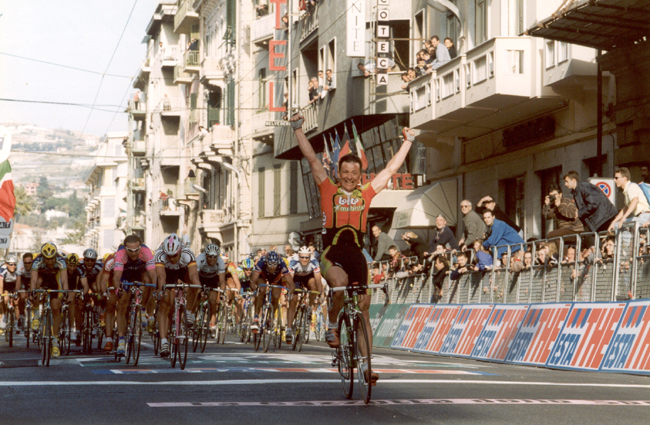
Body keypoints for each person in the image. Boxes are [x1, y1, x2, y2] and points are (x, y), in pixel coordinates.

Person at [290, 112, 415, 387]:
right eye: (344, 172)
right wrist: (298, 129)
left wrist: (408, 141)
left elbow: (390, 171)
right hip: (331, 255)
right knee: (339, 283)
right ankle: (332, 324)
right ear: (338, 174)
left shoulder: (366, 193)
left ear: (360, 176)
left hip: (356, 254)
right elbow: (312, 158)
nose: (349, 177)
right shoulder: (327, 188)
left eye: (354, 173)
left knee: (364, 308)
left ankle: (368, 365)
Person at [110, 235, 157, 356]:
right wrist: (118, 289)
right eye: (130, 250)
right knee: (122, 303)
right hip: (126, 274)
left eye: (137, 250)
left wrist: (155, 288)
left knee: (148, 281)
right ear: (125, 248)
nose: (134, 253)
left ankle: (143, 309)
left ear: (140, 247)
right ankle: (121, 340)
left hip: (141, 273)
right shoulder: (120, 254)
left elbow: (153, 274)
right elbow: (116, 276)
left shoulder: (146, 252)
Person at [155, 233, 201, 358]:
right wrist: (162, 291)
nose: (171, 258)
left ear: (180, 250)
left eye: (174, 255)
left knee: (194, 286)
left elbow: (193, 275)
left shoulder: (188, 253)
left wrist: (198, 288)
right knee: (165, 304)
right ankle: (164, 342)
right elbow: (161, 276)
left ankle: (189, 313)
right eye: (169, 255)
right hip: (167, 273)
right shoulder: (160, 254)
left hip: (182, 271)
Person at [30, 242, 70, 358]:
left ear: (55, 256)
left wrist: (66, 292)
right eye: (47, 259)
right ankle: (36, 315)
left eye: (52, 259)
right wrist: (32, 292)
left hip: (55, 280)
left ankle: (55, 340)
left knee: (56, 307)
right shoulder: (37, 261)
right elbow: (33, 279)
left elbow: (64, 280)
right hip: (42, 279)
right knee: (36, 286)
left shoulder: (61, 260)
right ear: (42, 257)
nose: (49, 261)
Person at [249, 251, 295, 341]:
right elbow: (252, 281)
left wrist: (290, 293)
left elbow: (291, 284)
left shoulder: (281, 263)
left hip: (276, 278)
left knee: (276, 295)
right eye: (270, 264)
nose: (272, 267)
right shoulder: (261, 261)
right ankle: (256, 317)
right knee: (261, 290)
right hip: (262, 276)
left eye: (275, 264)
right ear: (266, 262)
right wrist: (255, 291)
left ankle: (271, 316)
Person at [542, 184, 584, 255]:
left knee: (552, 235)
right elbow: (547, 216)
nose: (553, 197)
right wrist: (546, 206)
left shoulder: (567, 202)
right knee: (552, 237)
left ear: (560, 194)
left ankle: (565, 256)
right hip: (564, 231)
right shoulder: (554, 205)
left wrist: (559, 206)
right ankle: (557, 256)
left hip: (575, 230)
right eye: (551, 195)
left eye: (555, 195)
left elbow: (572, 215)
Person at [195, 244, 226, 338]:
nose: (212, 259)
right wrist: (198, 290)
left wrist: (223, 292)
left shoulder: (220, 262)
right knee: (196, 296)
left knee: (213, 301)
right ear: (206, 255)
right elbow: (194, 276)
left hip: (212, 279)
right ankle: (194, 318)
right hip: (200, 278)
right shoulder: (200, 259)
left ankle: (212, 325)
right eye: (210, 256)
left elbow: (222, 281)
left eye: (214, 257)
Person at [608, 167, 650, 231]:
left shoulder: (631, 186)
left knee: (618, 226)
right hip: (640, 217)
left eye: (616, 178)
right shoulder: (627, 190)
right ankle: (641, 240)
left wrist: (623, 219)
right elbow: (625, 209)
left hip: (644, 216)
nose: (614, 180)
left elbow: (635, 200)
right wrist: (614, 221)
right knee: (618, 226)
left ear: (624, 179)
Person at [289, 246, 322, 317]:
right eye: (302, 257)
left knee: (313, 285)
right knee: (294, 296)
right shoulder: (293, 261)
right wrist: (289, 292)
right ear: (298, 256)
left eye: (307, 257)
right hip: (296, 277)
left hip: (308, 276)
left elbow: (318, 280)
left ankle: (310, 306)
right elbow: (290, 279)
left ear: (310, 257)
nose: (304, 259)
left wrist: (320, 293)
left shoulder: (314, 261)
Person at [65, 253, 89, 346]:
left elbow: (85, 285)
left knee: (79, 304)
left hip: (76, 287)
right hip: (64, 286)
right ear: (66, 263)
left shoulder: (80, 269)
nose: (72, 268)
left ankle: (76, 330)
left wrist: (82, 294)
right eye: (70, 265)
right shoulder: (62, 268)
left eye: (74, 265)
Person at [0, 255, 19, 331]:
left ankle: (16, 323)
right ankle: (4, 316)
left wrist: (16, 292)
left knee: (16, 302)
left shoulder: (17, 270)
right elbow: (1, 285)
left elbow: (18, 283)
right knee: (4, 299)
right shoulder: (2, 270)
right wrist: (1, 294)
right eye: (11, 264)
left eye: (15, 264)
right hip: (6, 285)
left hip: (14, 285)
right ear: (6, 264)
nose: (13, 266)